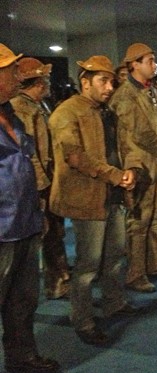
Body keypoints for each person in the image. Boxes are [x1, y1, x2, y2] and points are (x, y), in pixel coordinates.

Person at [49, 55, 141, 345]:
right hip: (86, 198)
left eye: (112, 81)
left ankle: (114, 302)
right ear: (85, 82)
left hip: (112, 193)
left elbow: (126, 145)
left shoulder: (106, 112)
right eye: (104, 81)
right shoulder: (66, 113)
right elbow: (75, 157)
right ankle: (84, 320)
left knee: (115, 256)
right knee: (88, 265)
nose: (110, 87)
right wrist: (116, 175)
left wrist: (132, 170)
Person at [0, 43, 59, 373]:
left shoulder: (10, 112)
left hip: (24, 220)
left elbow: (26, 159)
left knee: (23, 299)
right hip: (2, 228)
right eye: (9, 70)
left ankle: (22, 357)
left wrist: (39, 211)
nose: (16, 75)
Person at [109, 42, 157, 293]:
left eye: (153, 59)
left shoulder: (155, 92)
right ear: (134, 64)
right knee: (139, 220)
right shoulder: (124, 96)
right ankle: (135, 273)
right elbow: (140, 132)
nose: (154, 64)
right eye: (149, 60)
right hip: (139, 165)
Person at [11, 57, 71, 300]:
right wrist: (41, 185)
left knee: (55, 232)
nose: (48, 82)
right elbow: (27, 151)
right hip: (38, 184)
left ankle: (60, 275)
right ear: (36, 81)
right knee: (47, 234)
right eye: (44, 78)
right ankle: (55, 282)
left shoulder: (38, 105)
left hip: (47, 178)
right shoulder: (22, 108)